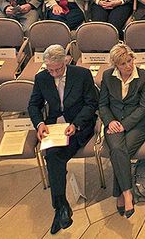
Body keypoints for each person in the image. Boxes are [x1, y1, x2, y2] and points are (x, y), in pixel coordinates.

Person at [28, 44, 98, 234]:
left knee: (54, 158)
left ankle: (60, 208)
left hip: (78, 126)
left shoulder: (81, 75)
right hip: (54, 127)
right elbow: (33, 105)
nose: (54, 73)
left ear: (65, 61)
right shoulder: (42, 78)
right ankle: (61, 207)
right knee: (52, 156)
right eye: (50, 70)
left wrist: (75, 124)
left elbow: (92, 103)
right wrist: (39, 124)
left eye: (58, 69)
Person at [99, 43, 145, 218]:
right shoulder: (107, 77)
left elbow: (144, 107)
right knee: (118, 150)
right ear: (116, 65)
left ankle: (120, 193)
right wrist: (110, 121)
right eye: (123, 64)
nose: (128, 66)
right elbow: (103, 105)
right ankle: (128, 193)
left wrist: (125, 124)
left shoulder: (144, 76)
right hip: (113, 123)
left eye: (130, 61)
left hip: (137, 124)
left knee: (120, 153)